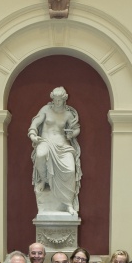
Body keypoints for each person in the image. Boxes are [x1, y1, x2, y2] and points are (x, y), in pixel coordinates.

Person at [28, 86, 82, 215]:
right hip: (46, 142)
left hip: (63, 146)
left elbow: (76, 128)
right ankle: (44, 180)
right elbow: (35, 123)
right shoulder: (46, 110)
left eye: (60, 100)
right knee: (40, 155)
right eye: (55, 100)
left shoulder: (68, 114)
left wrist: (72, 134)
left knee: (70, 170)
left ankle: (67, 204)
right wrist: (33, 134)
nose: (57, 103)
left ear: (64, 100)